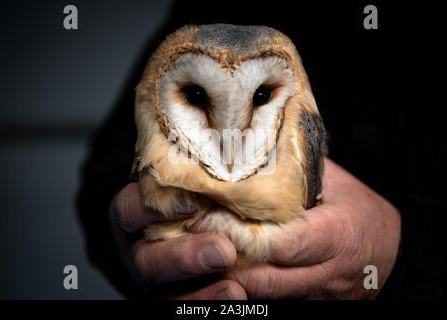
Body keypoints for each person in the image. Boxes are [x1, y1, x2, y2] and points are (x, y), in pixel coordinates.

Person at [76, 0, 445, 299]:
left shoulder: (303, 125)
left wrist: (405, 258)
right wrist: (137, 251)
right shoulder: (194, 27)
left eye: (262, 97)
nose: (230, 135)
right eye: (196, 96)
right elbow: (105, 180)